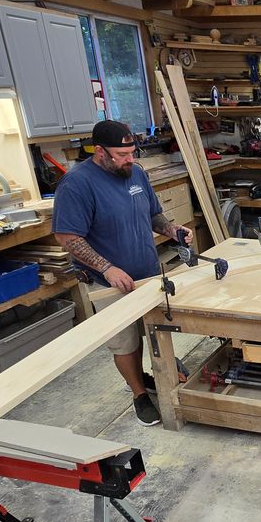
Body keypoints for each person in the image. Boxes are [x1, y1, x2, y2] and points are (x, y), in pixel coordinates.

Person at [52, 120, 192, 426]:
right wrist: (106, 267)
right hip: (109, 282)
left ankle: (156, 374)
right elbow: (67, 236)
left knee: (157, 330)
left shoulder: (136, 173)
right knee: (126, 343)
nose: (130, 159)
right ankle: (139, 394)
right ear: (100, 151)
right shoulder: (77, 184)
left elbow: (153, 215)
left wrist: (172, 230)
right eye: (122, 154)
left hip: (147, 273)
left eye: (132, 152)